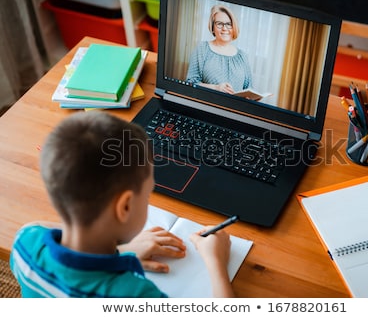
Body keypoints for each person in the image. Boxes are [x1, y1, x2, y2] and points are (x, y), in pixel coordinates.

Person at [10, 111, 234, 298]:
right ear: (124, 207)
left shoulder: (25, 244)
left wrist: (121, 252)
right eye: (147, 195)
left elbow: (37, 225)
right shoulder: (134, 295)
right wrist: (216, 261)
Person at [186, 4, 253, 94]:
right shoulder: (202, 49)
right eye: (219, 24)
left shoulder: (242, 56)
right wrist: (216, 87)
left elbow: (249, 89)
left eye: (228, 24)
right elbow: (190, 83)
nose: (224, 28)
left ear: (234, 27)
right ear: (213, 27)